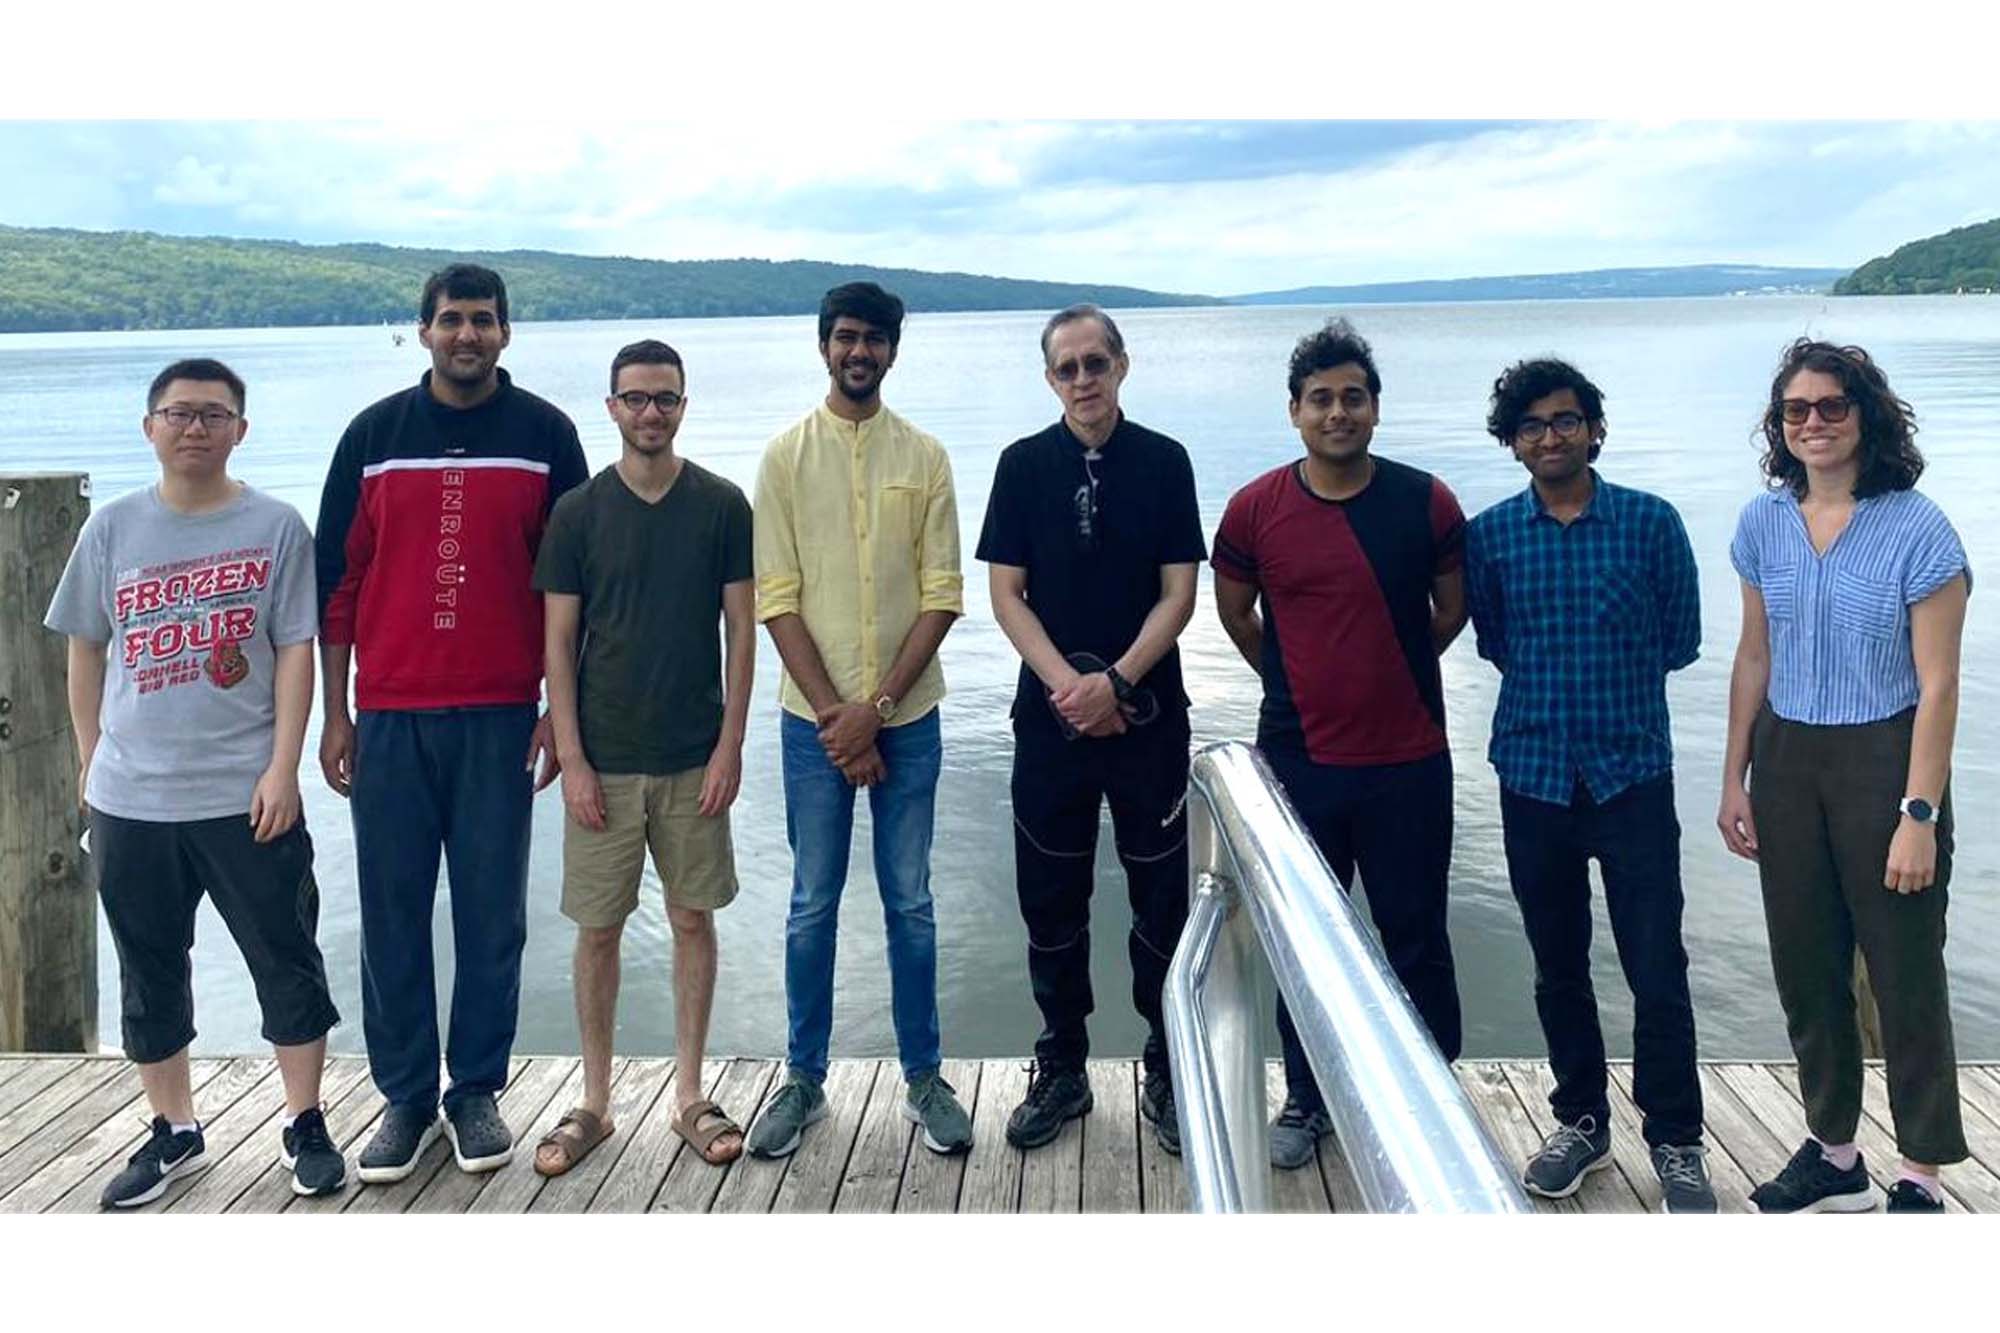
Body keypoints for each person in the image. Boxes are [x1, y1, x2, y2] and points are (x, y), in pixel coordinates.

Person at [47, 359, 344, 1207]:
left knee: (285, 956)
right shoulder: (110, 530)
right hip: (132, 796)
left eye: (214, 415)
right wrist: (89, 757)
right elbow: (84, 648)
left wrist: (284, 766)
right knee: (149, 966)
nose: (195, 428)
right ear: (150, 427)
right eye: (178, 413)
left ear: (239, 430)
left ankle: (305, 1119)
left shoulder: (277, 525)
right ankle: (173, 1127)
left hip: (244, 791)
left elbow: (295, 649)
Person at [315, 264, 588, 1181]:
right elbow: (337, 585)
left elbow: (570, 589)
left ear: (506, 333)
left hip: (502, 714)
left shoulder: (546, 435)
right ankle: (404, 1098)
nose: (466, 334)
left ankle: (473, 1089)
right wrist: (335, 714)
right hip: (389, 713)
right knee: (391, 914)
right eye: (450, 320)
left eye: (483, 320)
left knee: (489, 913)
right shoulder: (374, 436)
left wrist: (560, 710)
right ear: (424, 330)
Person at [1720, 338, 1971, 1214]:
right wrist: (1733, 778)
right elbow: (1754, 655)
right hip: (1787, 758)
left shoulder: (1918, 525)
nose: (1814, 422)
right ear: (1779, 425)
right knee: (1806, 962)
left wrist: (1919, 811)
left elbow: (1940, 683)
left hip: (1885, 757)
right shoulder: (1762, 522)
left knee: (1905, 967)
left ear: (1866, 415)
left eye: (1833, 405)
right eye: (1797, 409)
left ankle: (1923, 1172)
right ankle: (1834, 1154)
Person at [1212, 317, 1466, 1170]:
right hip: (1298, 765)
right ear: (1294, 412)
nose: (1337, 412)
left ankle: (1435, 1089)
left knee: (1417, 936)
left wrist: (1383, 668)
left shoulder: (1424, 500)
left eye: (1353, 397)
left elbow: (1450, 610)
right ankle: (1308, 1096)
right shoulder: (1254, 509)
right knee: (1306, 944)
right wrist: (1298, 679)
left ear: (1376, 409)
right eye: (1320, 398)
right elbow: (1235, 613)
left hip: (1408, 762)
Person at [1463, 358, 1714, 1212]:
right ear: (1512, 443)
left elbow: (1682, 637)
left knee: (1657, 964)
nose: (1550, 436)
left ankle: (1677, 1138)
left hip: (1632, 774)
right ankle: (1580, 1120)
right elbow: (1494, 639)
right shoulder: (1491, 535)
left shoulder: (1650, 522)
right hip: (1532, 775)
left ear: (1595, 428)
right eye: (1531, 426)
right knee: (1556, 963)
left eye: (1565, 420)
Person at [746, 281, 972, 1158]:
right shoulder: (783, 458)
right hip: (811, 727)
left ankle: (924, 1075)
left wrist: (873, 714)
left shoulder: (927, 457)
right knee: (811, 903)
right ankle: (804, 1076)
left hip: (907, 720)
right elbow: (777, 597)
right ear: (823, 345)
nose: (859, 352)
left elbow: (942, 594)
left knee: (911, 902)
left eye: (874, 340)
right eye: (846, 337)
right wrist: (840, 720)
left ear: (893, 350)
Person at [976, 305, 1205, 1155]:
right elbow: (1006, 594)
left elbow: (1178, 593)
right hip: (1051, 724)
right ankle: (1062, 1064)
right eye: (1067, 367)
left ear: (1122, 365)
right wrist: (1069, 686)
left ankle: (1166, 1063)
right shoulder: (1022, 465)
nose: (1083, 380)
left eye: (1095, 363)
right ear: (1049, 378)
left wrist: (1117, 681)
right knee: (1051, 903)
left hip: (1147, 721)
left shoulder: (1166, 461)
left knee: (1162, 905)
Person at [530, 340, 754, 1175]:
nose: (650, 412)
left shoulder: (724, 505)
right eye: (636, 398)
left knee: (693, 919)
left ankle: (689, 1092)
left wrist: (731, 743)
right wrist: (574, 757)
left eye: (665, 398)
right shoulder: (579, 513)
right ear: (612, 407)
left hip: (696, 756)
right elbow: (558, 642)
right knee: (598, 930)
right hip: (606, 759)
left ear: (683, 406)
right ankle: (594, 1101)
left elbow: (741, 632)